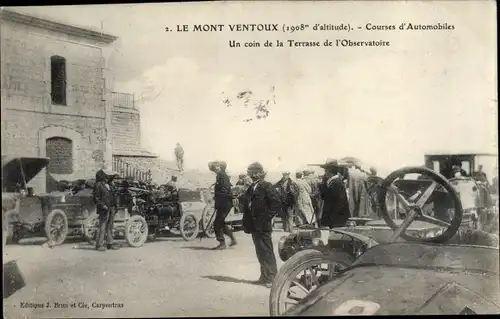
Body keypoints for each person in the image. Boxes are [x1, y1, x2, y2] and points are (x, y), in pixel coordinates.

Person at [241, 162, 281, 287]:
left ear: (259, 173)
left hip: (263, 226)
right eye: (250, 172)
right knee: (260, 251)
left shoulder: (266, 186)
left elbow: (276, 204)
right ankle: (264, 276)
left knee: (266, 251)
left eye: (253, 172)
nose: (251, 174)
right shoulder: (252, 186)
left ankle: (272, 277)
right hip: (254, 226)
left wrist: (266, 218)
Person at [209, 160, 237, 250]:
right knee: (221, 222)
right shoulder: (221, 175)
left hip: (224, 202)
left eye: (217, 167)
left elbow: (224, 191)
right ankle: (232, 239)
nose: (215, 169)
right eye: (214, 167)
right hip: (225, 202)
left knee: (217, 223)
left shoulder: (221, 175)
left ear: (220, 167)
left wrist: (218, 200)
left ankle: (222, 244)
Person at [93, 169, 120, 251]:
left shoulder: (108, 185)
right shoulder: (98, 185)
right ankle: (99, 245)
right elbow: (96, 198)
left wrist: (115, 207)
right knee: (103, 226)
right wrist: (103, 205)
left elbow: (113, 194)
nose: (107, 177)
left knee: (110, 226)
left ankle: (110, 243)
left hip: (111, 207)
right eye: (105, 176)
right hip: (104, 208)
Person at [319, 159, 351, 229]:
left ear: (329, 171)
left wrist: (329, 219)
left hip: (336, 219)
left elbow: (336, 202)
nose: (325, 172)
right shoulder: (333, 182)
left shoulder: (336, 183)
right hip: (334, 218)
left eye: (326, 170)